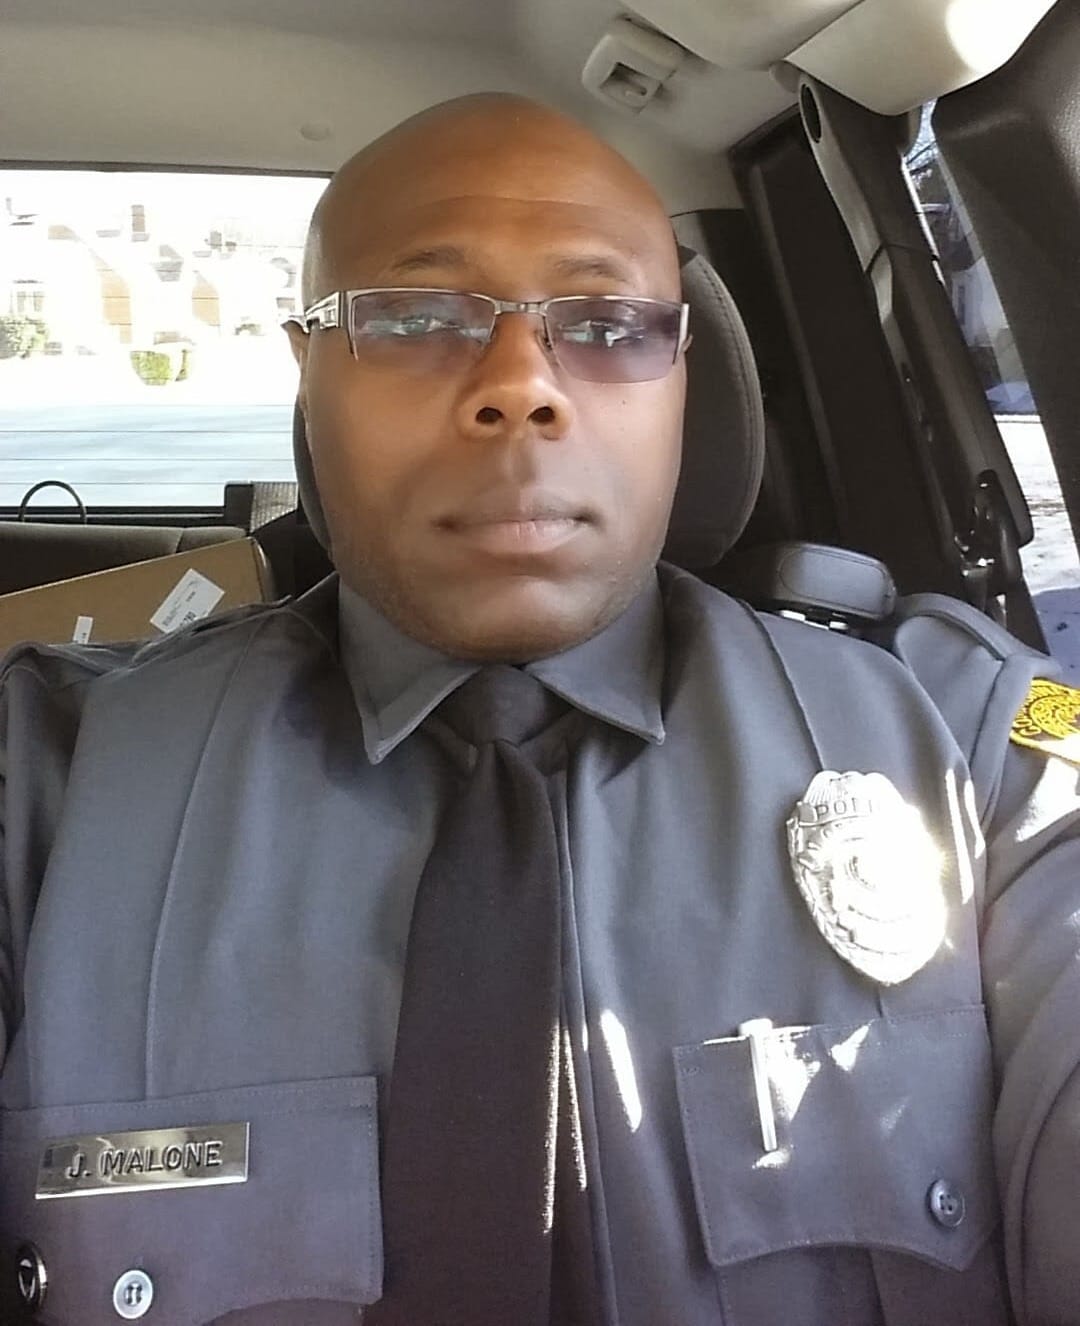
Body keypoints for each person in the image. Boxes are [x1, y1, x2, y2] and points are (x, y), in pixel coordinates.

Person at [1, 92, 1079, 1326]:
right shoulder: (49, 788)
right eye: (414, 318)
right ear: (310, 373)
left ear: (684, 379)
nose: (519, 386)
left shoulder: (972, 748)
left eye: (609, 326)